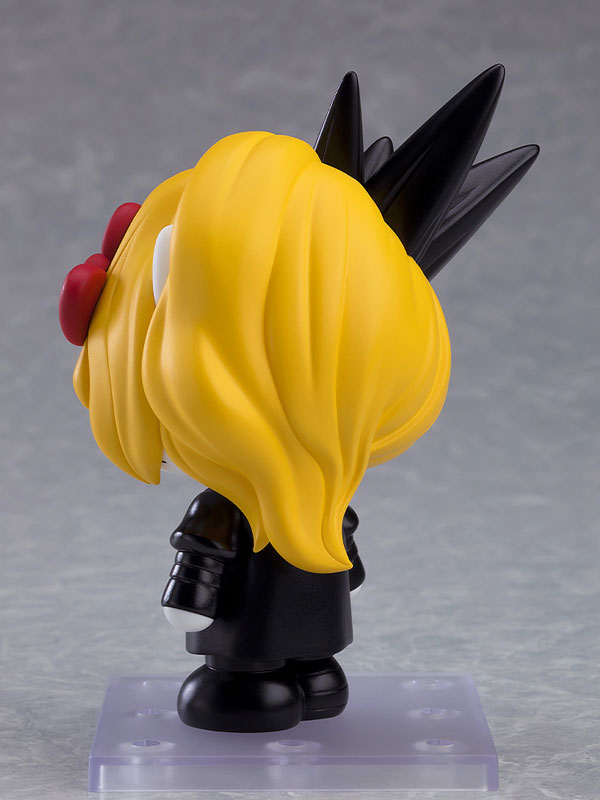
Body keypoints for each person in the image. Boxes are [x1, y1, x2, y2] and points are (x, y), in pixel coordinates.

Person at [59, 67, 538, 732]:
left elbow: (321, 551)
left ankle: (302, 669)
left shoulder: (308, 498)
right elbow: (217, 560)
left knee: (295, 669)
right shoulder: (244, 507)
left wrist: (332, 560)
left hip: (299, 624)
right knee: (260, 679)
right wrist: (204, 592)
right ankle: (266, 676)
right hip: (260, 636)